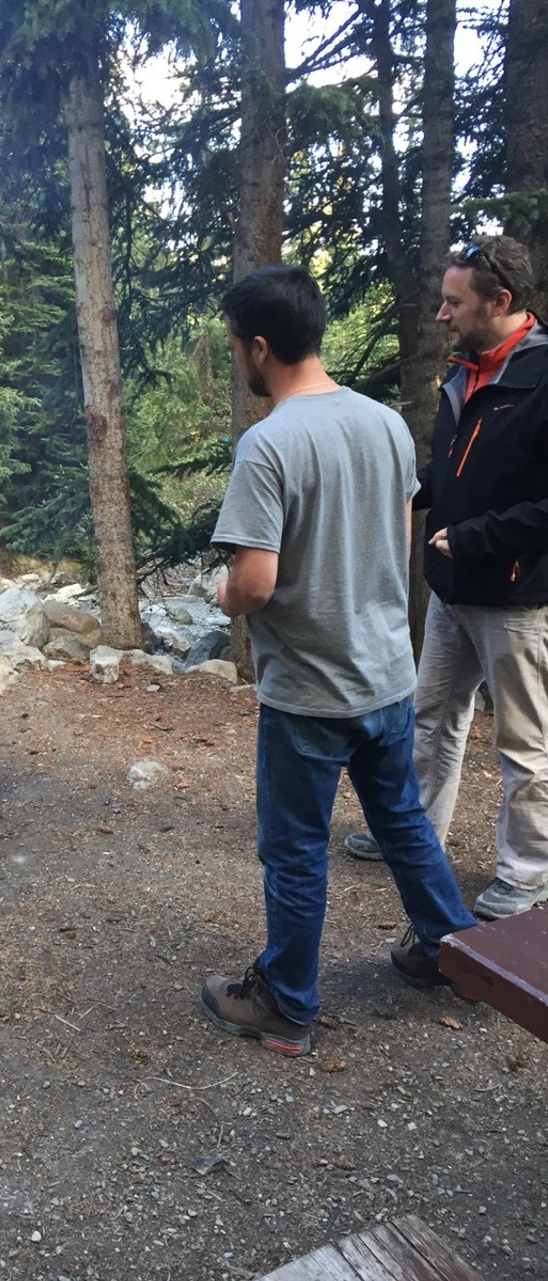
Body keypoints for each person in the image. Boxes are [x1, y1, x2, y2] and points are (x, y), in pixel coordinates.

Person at [199, 265, 477, 1058]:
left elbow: (256, 583)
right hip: (387, 674)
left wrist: (224, 593)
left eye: (237, 348)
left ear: (260, 347)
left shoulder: (268, 444)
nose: (239, 361)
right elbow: (393, 538)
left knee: (294, 849)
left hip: (310, 693)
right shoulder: (384, 423)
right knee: (403, 822)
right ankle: (451, 950)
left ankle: (287, 1002)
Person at [344, 235, 548, 921]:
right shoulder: (466, 372)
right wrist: (405, 489)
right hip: (452, 588)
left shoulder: (541, 377)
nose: (440, 314)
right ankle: (414, 832)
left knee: (523, 741)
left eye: (454, 302)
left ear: (500, 301)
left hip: (516, 593)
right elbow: (455, 469)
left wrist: (472, 537)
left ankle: (527, 873)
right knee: (430, 717)